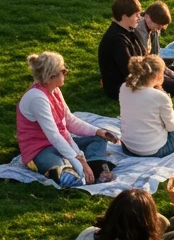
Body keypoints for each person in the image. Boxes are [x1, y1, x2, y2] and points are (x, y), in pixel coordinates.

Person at [17, 51, 117, 187]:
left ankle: (93, 168)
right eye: (63, 71)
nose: (66, 72)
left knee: (98, 138)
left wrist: (98, 131)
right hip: (40, 150)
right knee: (63, 173)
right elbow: (54, 136)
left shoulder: (55, 90)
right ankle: (85, 170)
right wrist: (80, 161)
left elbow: (69, 121)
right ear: (51, 76)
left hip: (60, 142)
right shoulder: (37, 98)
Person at [134, 0, 174, 96]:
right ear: (147, 17)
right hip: (143, 72)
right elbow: (141, 60)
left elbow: (155, 54)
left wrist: (165, 70)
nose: (159, 28)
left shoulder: (153, 29)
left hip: (151, 67)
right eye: (158, 24)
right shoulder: (138, 30)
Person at [98, 0, 146, 99]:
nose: (139, 17)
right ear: (124, 17)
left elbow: (143, 55)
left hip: (134, 79)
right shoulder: (116, 39)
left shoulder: (128, 31)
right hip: (120, 88)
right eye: (136, 15)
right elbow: (129, 70)